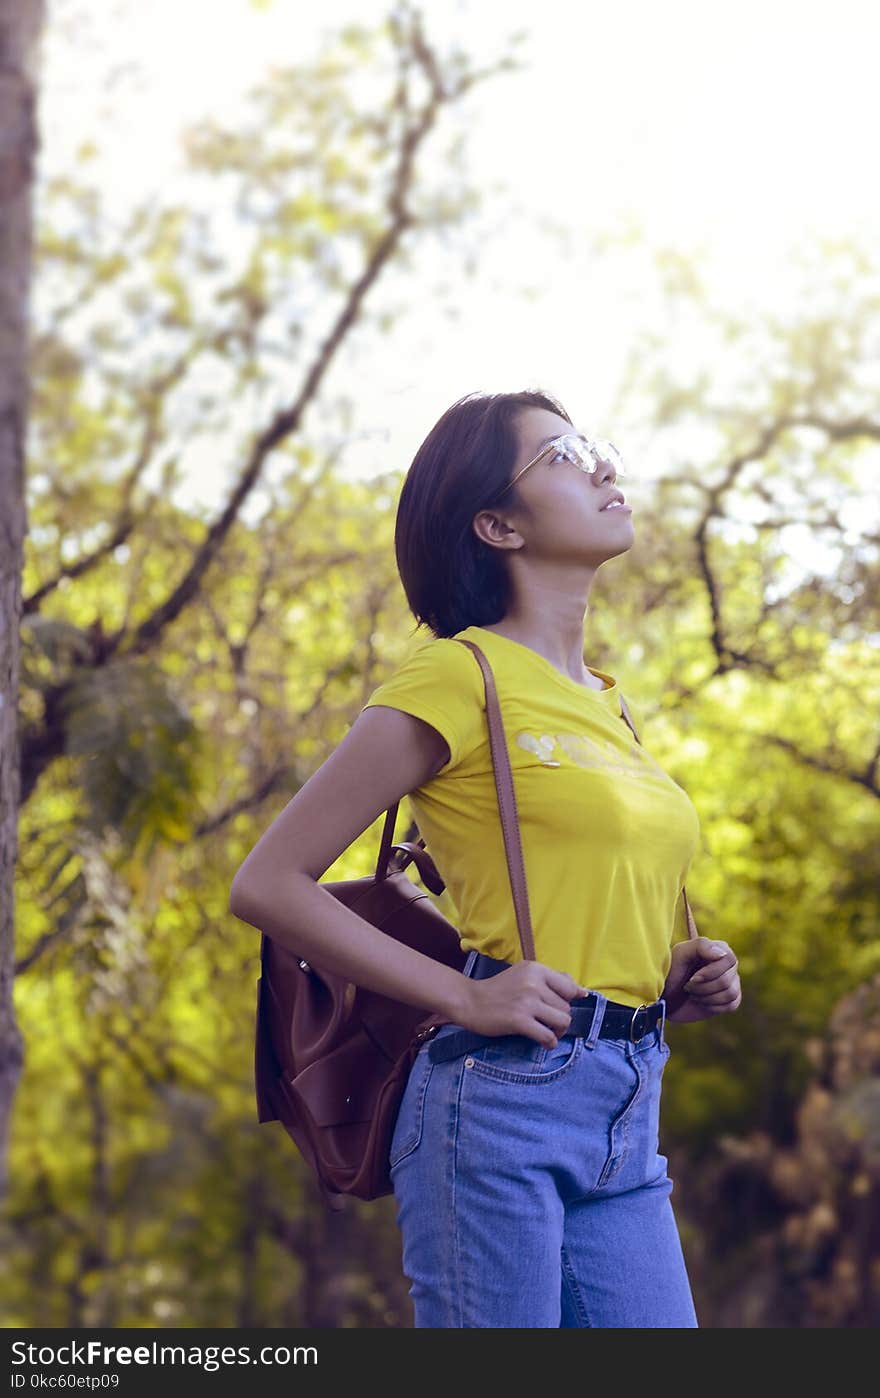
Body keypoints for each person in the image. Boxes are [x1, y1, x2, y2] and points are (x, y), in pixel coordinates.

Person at [228, 389, 742, 1328]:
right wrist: (467, 995)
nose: (600, 466)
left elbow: (576, 895)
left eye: (592, 445)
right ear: (497, 525)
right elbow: (266, 882)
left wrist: (672, 978)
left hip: (629, 1109)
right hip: (498, 1105)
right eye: (559, 455)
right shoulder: (458, 675)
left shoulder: (609, 702)